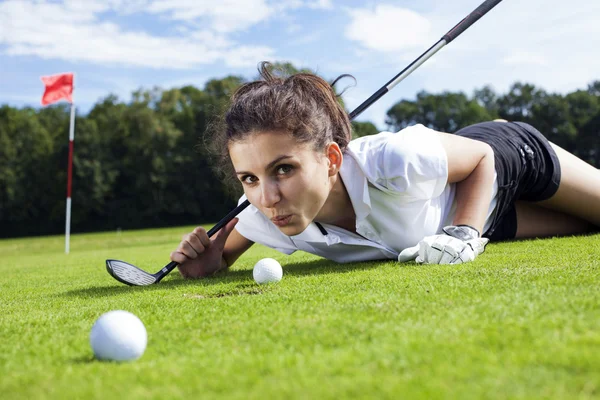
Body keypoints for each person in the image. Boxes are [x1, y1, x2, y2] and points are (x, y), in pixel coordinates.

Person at [170, 62, 600, 278]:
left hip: (501, 162)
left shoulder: (394, 158)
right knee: (588, 229)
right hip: (482, 216)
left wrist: (464, 236)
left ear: (332, 159)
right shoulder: (265, 215)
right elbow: (221, 252)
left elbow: (480, 160)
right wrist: (211, 261)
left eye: (283, 169)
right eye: (249, 178)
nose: (267, 197)